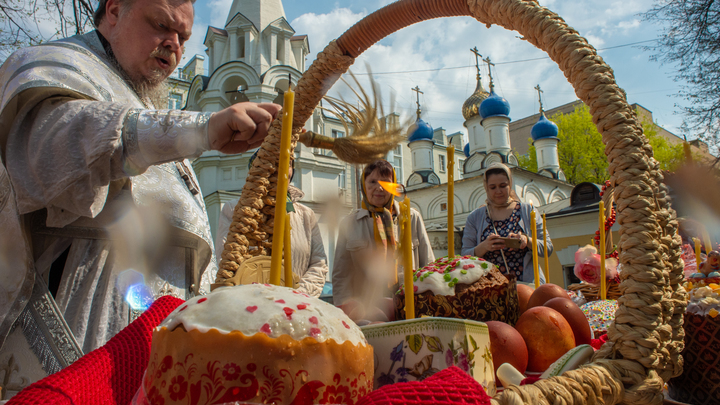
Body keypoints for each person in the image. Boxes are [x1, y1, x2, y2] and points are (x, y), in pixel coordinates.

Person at [0, 0, 281, 364]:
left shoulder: (142, 100)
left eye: (182, 36)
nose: (174, 44)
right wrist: (201, 129)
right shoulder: (59, 64)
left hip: (157, 354)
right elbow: (54, 146)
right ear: (115, 11)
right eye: (161, 25)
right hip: (80, 341)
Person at [215, 154, 328, 297]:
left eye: (287, 164)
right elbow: (226, 261)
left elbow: (318, 263)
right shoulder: (234, 210)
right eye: (271, 163)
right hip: (249, 305)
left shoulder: (306, 215)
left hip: (296, 307)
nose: (280, 170)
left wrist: (298, 295)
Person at [332, 159, 434, 311]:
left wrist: (428, 303)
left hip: (410, 306)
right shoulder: (349, 224)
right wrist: (346, 310)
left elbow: (428, 264)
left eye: (385, 183)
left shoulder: (411, 218)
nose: (379, 188)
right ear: (363, 185)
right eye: (372, 182)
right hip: (365, 310)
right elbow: (341, 275)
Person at [461, 162, 552, 284]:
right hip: (490, 288)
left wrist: (527, 240)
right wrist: (484, 246)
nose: (498, 191)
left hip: (527, 286)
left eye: (503, 186)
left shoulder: (527, 211)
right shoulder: (475, 217)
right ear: (486, 187)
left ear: (510, 185)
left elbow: (547, 248)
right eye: (493, 187)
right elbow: (464, 256)